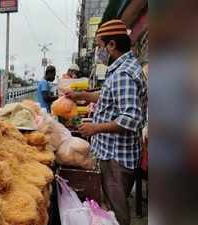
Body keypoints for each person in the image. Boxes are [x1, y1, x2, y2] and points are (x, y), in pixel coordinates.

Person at [66, 20, 147, 225]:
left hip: (117, 156)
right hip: (113, 152)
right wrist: (83, 95)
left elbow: (131, 119)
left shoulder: (123, 73)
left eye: (100, 46)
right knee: (110, 207)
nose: (99, 51)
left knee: (117, 212)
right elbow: (110, 96)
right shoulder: (123, 67)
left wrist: (95, 128)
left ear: (112, 45)